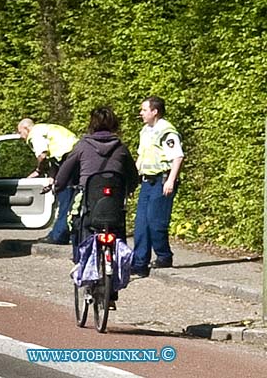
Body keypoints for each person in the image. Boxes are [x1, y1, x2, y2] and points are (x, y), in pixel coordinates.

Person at [55, 107, 138, 259]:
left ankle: (80, 261)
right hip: (114, 203)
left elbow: (65, 172)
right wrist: (130, 187)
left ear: (91, 124)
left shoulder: (82, 146)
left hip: (89, 202)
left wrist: (58, 186)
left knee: (76, 225)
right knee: (118, 227)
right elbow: (133, 175)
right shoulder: (121, 148)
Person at [131, 96, 184, 276]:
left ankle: (164, 256)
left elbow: (177, 156)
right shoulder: (145, 131)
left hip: (162, 180)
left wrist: (171, 180)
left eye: (144, 110)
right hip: (147, 181)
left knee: (156, 222)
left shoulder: (167, 131)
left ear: (155, 112)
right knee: (141, 223)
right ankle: (139, 262)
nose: (141, 113)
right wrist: (132, 179)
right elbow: (141, 156)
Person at [17, 118, 79, 245]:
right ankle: (71, 233)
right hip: (77, 157)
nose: (21, 136)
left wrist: (38, 170)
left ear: (26, 128)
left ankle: (59, 235)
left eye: (20, 132)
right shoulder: (49, 128)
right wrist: (51, 178)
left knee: (65, 197)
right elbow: (55, 158)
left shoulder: (35, 133)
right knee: (74, 198)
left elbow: (43, 155)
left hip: (68, 160)